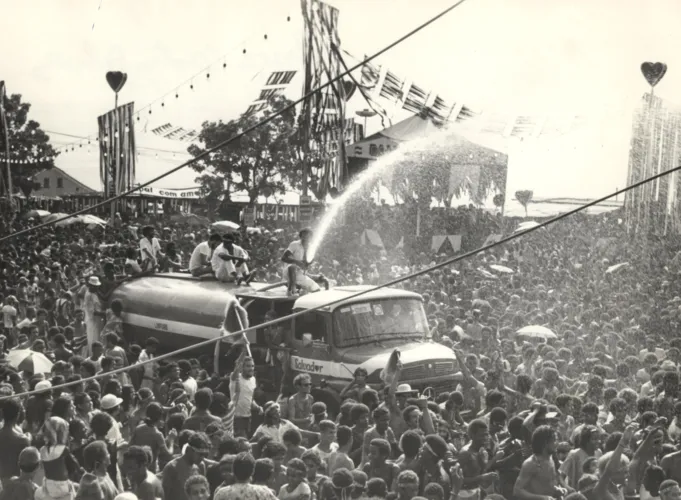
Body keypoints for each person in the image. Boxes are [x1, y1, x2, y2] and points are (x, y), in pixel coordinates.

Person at [281, 228, 328, 296]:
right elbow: (283, 258)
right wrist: (296, 262)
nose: (306, 237)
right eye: (304, 235)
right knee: (292, 267)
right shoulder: (294, 244)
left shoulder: (311, 248)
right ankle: (290, 291)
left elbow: (306, 266)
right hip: (289, 272)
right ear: (301, 236)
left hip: (300, 275)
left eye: (308, 236)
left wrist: (313, 274)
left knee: (317, 289)